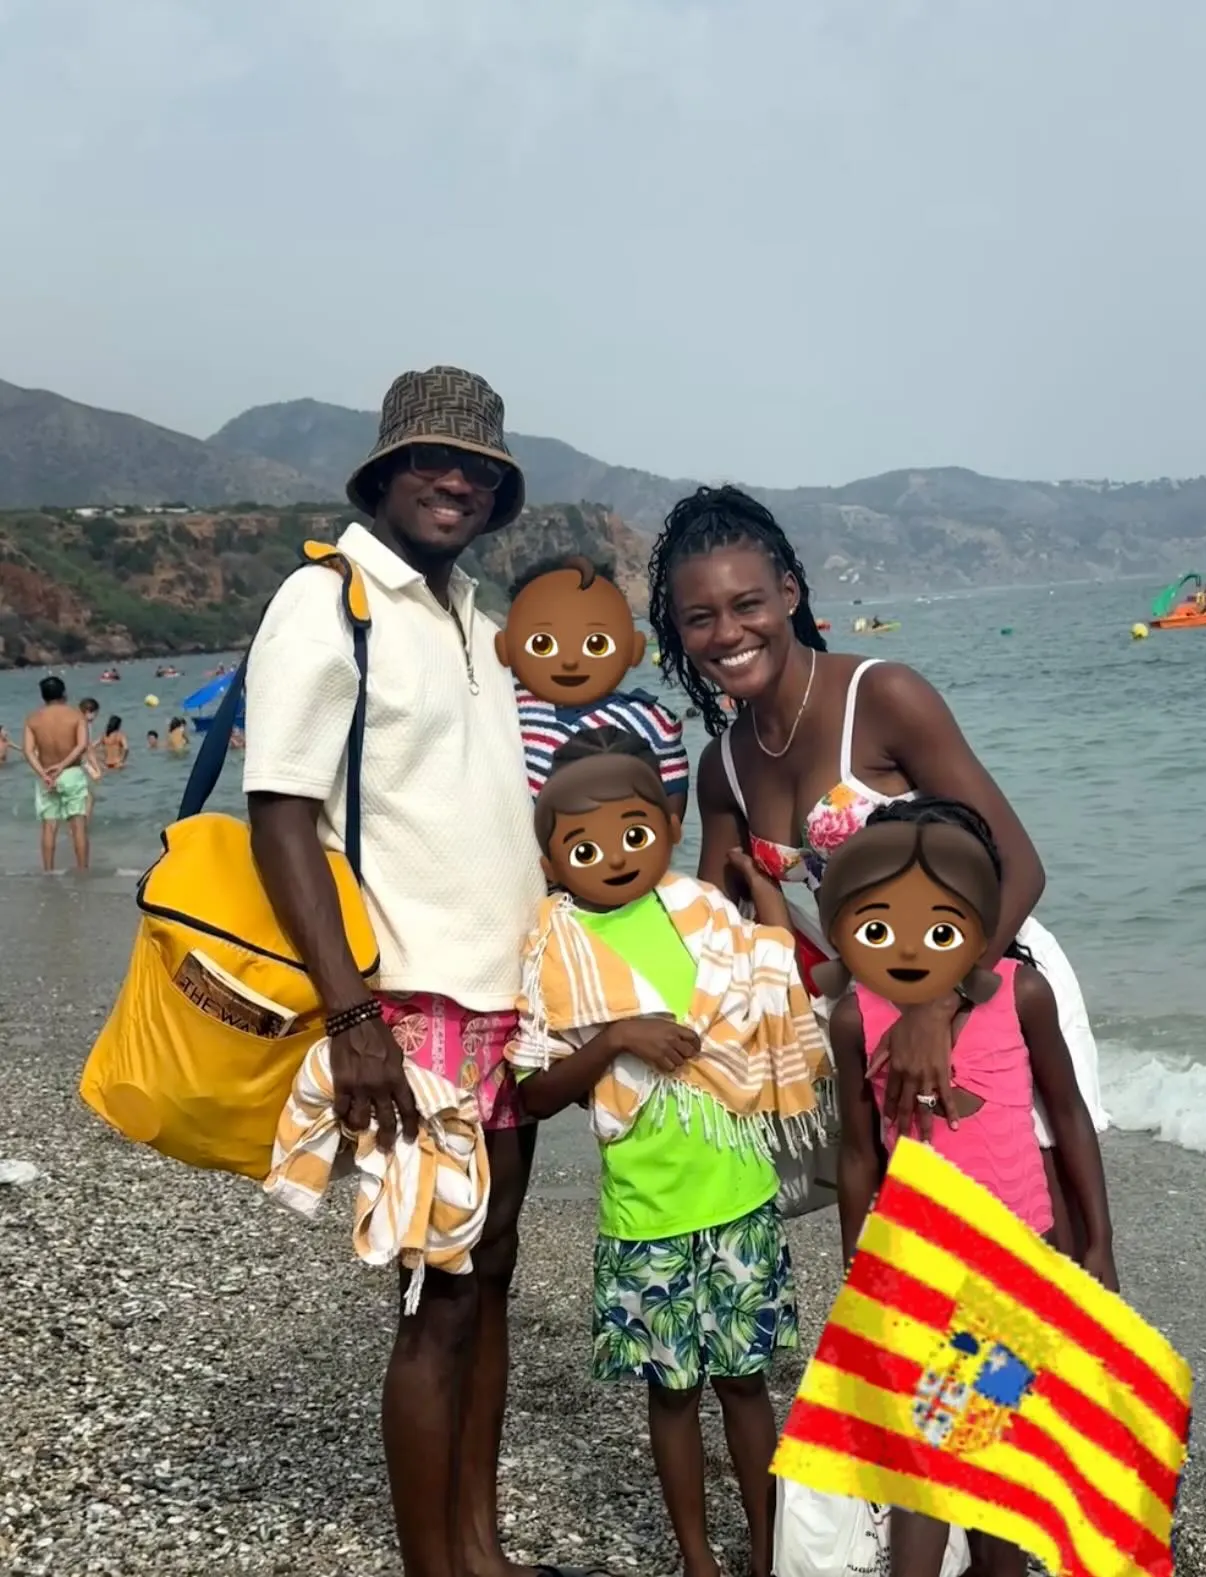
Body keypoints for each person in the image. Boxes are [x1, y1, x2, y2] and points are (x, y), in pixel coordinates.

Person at [244, 366, 564, 1577]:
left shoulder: (480, 619)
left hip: (510, 1004)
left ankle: (482, 1551)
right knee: (437, 1298)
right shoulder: (328, 600)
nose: (456, 481)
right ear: (385, 474)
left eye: (478, 468)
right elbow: (281, 812)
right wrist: (352, 1015)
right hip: (410, 1002)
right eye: (433, 460)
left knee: (493, 1273)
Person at [646, 485, 1107, 1257]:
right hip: (877, 1017)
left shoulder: (883, 695)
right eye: (700, 617)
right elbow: (709, 937)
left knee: (1046, 1248)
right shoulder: (723, 766)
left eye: (747, 604)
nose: (727, 632)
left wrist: (942, 1004)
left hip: (991, 984)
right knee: (931, 1257)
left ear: (789, 594)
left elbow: (1020, 866)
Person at [508, 726, 828, 1577]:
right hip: (644, 1209)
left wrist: (766, 893)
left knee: (746, 1383)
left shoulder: (701, 911)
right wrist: (618, 1036)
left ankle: (766, 1552)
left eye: (634, 833)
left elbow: (772, 980)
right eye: (584, 847)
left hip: (739, 1191)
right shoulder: (553, 949)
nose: (614, 857)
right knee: (673, 1391)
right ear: (550, 862)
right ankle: (698, 1559)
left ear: (670, 828)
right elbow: (532, 1092)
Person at [821, 796, 1116, 1577]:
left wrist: (1099, 1245)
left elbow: (1069, 1116)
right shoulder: (856, 1016)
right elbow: (858, 1155)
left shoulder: (1022, 993)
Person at [495, 554, 688, 814]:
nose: (570, 660)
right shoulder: (501, 695)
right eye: (544, 643)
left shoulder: (651, 723)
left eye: (595, 643)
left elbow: (666, 821)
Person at [23, 676, 92, 871]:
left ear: (43, 696)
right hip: (71, 772)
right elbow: (82, 745)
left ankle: (48, 872)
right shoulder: (76, 716)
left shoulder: (33, 719)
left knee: (49, 826)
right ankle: (82, 871)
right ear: (64, 693)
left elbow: (28, 751)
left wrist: (43, 774)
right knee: (78, 825)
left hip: (46, 775)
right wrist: (62, 766)